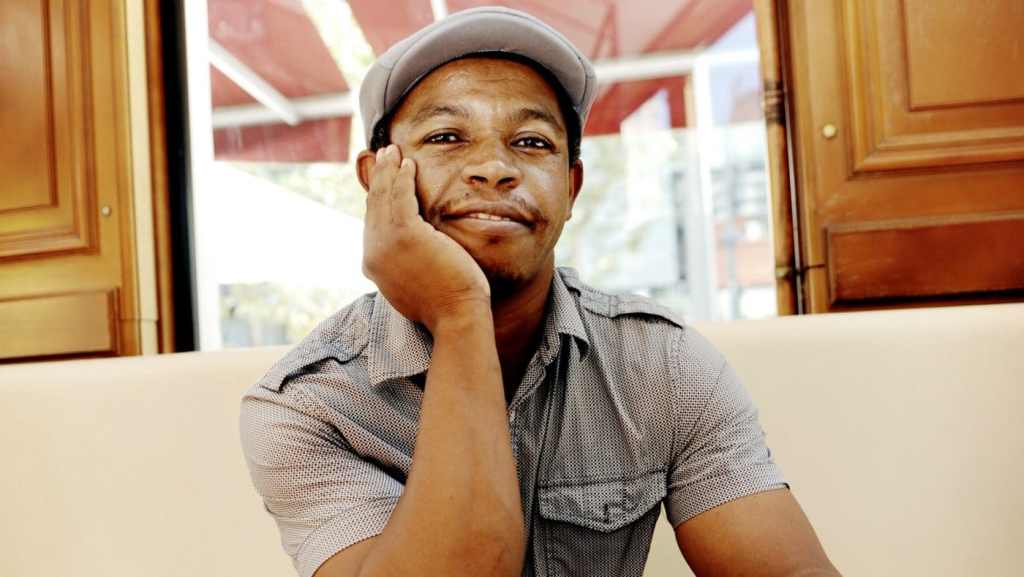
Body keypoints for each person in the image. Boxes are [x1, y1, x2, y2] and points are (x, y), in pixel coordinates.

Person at [240, 6, 840, 577]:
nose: (494, 168)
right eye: (446, 137)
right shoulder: (311, 406)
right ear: (378, 181)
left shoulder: (663, 366)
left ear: (571, 187)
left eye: (531, 142)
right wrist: (459, 311)